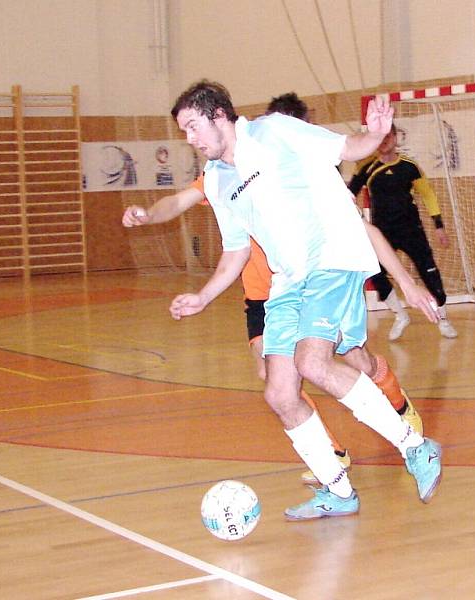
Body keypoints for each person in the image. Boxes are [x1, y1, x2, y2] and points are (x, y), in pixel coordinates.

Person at [168, 80, 442, 520]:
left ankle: (416, 447)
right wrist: (203, 296)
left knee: (314, 362)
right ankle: (338, 490)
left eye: (193, 126)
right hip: (288, 282)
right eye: (184, 131)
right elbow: (236, 249)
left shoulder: (276, 132)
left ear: (219, 115)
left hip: (332, 260)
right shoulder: (218, 181)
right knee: (279, 393)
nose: (190, 139)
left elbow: (348, 147)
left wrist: (373, 135)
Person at [348, 124, 458, 340]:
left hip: (411, 230)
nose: (384, 141)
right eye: (380, 137)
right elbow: (348, 194)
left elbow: (427, 195)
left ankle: (442, 318)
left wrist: (439, 226)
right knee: (374, 273)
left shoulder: (409, 167)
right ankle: (400, 315)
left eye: (388, 136)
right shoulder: (366, 168)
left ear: (396, 138)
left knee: (430, 274)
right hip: (383, 234)